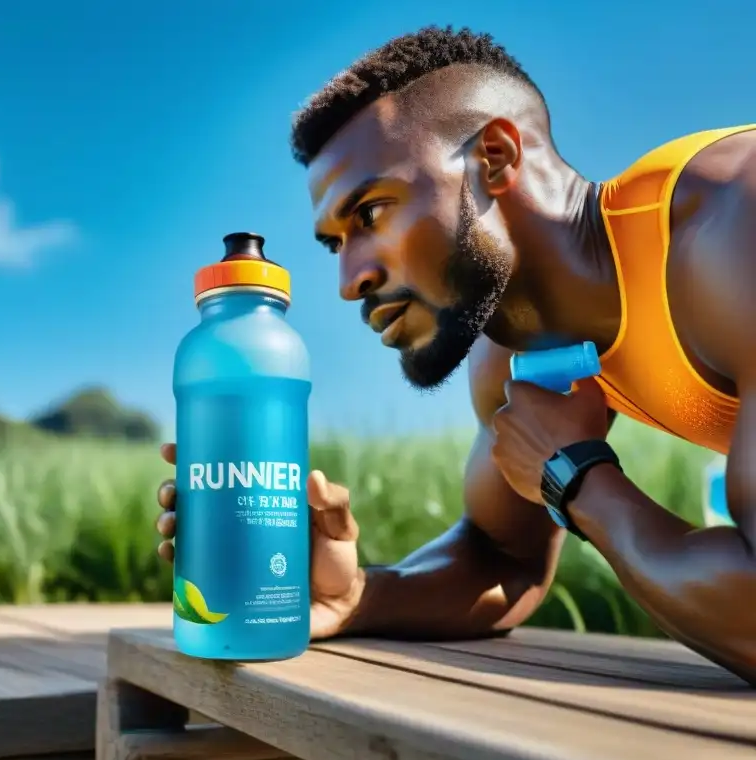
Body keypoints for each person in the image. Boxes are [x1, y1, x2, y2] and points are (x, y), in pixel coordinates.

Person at [155, 26, 756, 685]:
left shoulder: (733, 229)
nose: (349, 279)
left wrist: (575, 475)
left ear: (494, 158)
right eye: (335, 244)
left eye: (373, 212)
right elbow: (502, 559)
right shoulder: (511, 357)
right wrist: (356, 593)